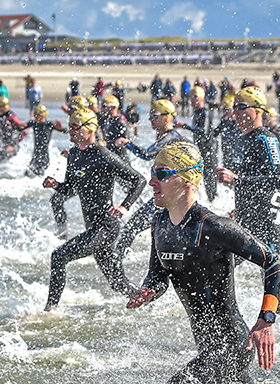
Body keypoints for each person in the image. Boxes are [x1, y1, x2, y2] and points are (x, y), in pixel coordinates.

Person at [128, 141, 280, 384]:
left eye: (161, 174)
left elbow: (274, 262)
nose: (152, 181)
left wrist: (266, 320)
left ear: (187, 181)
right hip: (210, 348)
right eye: (152, 174)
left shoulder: (214, 226)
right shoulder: (160, 223)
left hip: (231, 347)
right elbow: (159, 272)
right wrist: (149, 290)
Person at [215, 86, 280, 343]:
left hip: (271, 225)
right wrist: (242, 207)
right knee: (218, 268)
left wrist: (238, 180)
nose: (234, 113)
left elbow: (279, 179)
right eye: (233, 108)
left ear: (256, 110)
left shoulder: (265, 138)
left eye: (240, 107)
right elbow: (253, 182)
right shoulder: (242, 139)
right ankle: (224, 336)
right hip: (250, 221)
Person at [41, 107, 145, 310]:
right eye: (69, 126)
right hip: (93, 228)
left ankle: (49, 310)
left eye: (74, 127)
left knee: (59, 256)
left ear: (89, 130)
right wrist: (56, 185)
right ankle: (147, 303)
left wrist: (125, 206)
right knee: (117, 283)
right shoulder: (73, 155)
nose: (70, 131)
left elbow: (138, 179)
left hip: (105, 227)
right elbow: (70, 188)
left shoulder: (102, 154)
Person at [113, 99, 187, 258]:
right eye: (150, 115)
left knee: (132, 228)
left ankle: (114, 269)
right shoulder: (167, 137)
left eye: (155, 115)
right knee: (158, 235)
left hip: (173, 197)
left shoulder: (171, 137)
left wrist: (126, 143)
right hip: (170, 195)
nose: (150, 119)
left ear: (167, 118)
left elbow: (146, 155)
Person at [174, 85, 218, 201]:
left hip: (209, 149)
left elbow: (203, 131)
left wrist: (184, 126)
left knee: (209, 180)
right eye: (190, 97)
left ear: (201, 98)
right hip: (200, 149)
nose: (192, 100)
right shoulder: (196, 113)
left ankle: (213, 202)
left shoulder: (205, 113)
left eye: (195, 97)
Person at [18, 104, 66, 177]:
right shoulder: (34, 123)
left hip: (44, 155)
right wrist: (20, 126)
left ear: (42, 115)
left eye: (36, 114)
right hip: (35, 153)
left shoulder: (49, 124)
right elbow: (20, 128)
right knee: (27, 174)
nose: (34, 116)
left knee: (40, 174)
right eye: (34, 114)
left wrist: (61, 128)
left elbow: (65, 132)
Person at [99, 95, 129, 162]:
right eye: (101, 106)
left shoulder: (120, 122)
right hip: (109, 158)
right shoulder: (105, 121)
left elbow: (125, 142)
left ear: (113, 107)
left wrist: (107, 143)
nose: (101, 109)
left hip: (121, 161)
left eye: (104, 106)